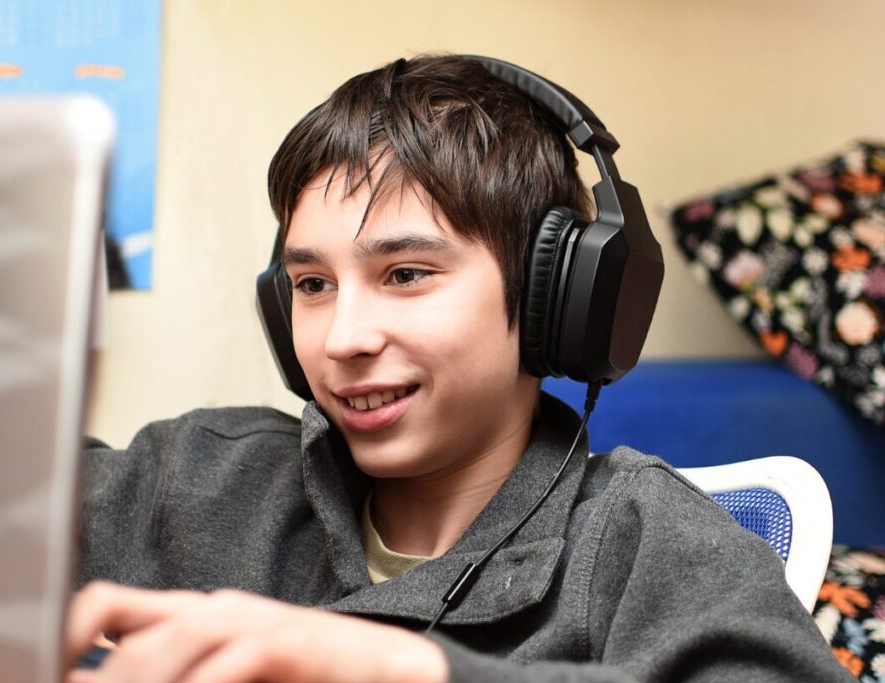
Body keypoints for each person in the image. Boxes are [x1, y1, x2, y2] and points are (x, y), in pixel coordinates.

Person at [66, 55, 851, 682]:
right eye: (312, 285)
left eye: (406, 274)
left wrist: (394, 667)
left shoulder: (640, 538)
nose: (343, 337)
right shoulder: (198, 477)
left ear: (554, 299)